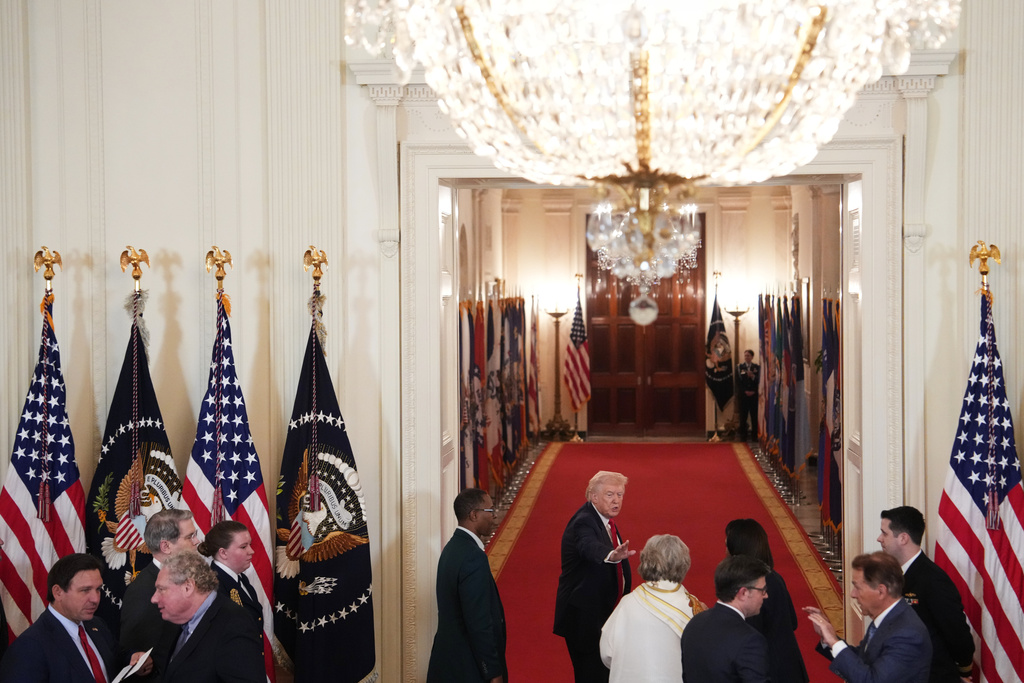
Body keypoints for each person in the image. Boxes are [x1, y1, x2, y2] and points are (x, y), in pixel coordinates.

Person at [0, 553, 152, 681]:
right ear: (58, 592)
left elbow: (116, 656)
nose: (95, 599)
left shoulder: (96, 625)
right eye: (85, 590)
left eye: (98, 589)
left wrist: (134, 658)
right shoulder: (30, 647)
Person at [554, 471, 635, 683]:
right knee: (592, 676)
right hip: (585, 621)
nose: (616, 500)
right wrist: (610, 555)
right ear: (593, 496)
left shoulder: (605, 520)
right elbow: (588, 545)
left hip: (601, 614)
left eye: (620, 495)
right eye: (610, 494)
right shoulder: (583, 522)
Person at [878, 506, 974, 683]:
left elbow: (957, 633)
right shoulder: (896, 575)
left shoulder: (933, 579)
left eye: (884, 534)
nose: (879, 539)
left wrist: (962, 669)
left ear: (903, 538)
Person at [804, 551, 931, 683]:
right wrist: (829, 639)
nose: (853, 594)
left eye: (858, 588)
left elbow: (872, 680)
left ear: (881, 591)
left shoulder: (907, 635)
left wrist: (834, 643)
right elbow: (863, 660)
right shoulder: (887, 618)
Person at [426, 488, 506, 683]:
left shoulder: (452, 548)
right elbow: (478, 621)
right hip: (467, 666)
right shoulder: (473, 557)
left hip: (449, 663)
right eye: (490, 511)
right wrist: (492, 672)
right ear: (474, 515)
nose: (494, 516)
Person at [599, 534, 703, 683]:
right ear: (684, 563)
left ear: (646, 561)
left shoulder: (627, 603)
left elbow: (606, 653)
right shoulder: (693, 607)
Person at [150, 550, 264, 683]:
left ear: (188, 587)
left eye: (161, 590)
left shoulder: (235, 625)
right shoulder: (175, 619)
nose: (154, 598)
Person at [725, 518, 808, 683]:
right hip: (790, 668)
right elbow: (793, 621)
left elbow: (748, 636)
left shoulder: (751, 587)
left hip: (769, 672)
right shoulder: (774, 577)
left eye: (727, 545)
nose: (726, 551)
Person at [121, 508, 200, 681]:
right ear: (166, 546)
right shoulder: (143, 591)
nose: (197, 541)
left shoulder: (189, 579)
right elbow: (139, 658)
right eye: (189, 537)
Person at [681, 554, 771, 682]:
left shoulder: (695, 622)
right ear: (743, 593)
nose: (766, 595)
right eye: (762, 590)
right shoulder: (750, 641)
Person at [196, 521, 264, 646]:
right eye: (243, 547)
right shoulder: (212, 586)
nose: (251, 551)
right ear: (223, 553)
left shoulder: (240, 578)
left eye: (250, 545)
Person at [736, 350, 760, 442]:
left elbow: (760, 381)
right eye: (745, 355)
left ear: (752, 357)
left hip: (754, 396)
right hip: (744, 396)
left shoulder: (757, 368)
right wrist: (745, 391)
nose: (746, 357)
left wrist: (753, 377)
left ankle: (754, 435)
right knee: (743, 416)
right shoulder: (739, 368)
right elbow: (738, 382)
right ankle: (743, 436)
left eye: (748, 356)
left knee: (754, 416)